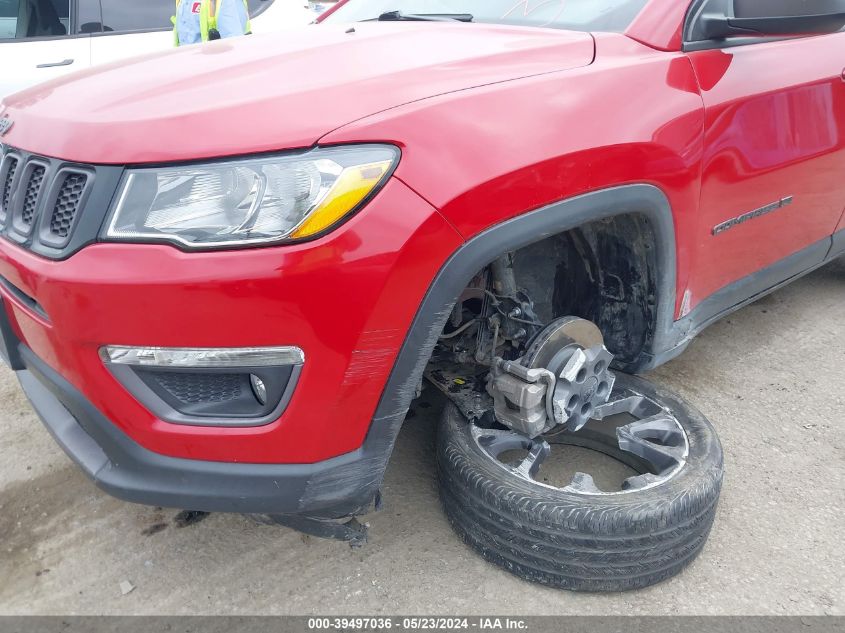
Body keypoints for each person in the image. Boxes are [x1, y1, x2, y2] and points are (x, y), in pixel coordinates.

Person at [173, 0, 252, 46]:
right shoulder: (182, 1)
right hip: (188, 67)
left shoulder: (226, 2)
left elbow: (233, 46)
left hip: (210, 68)